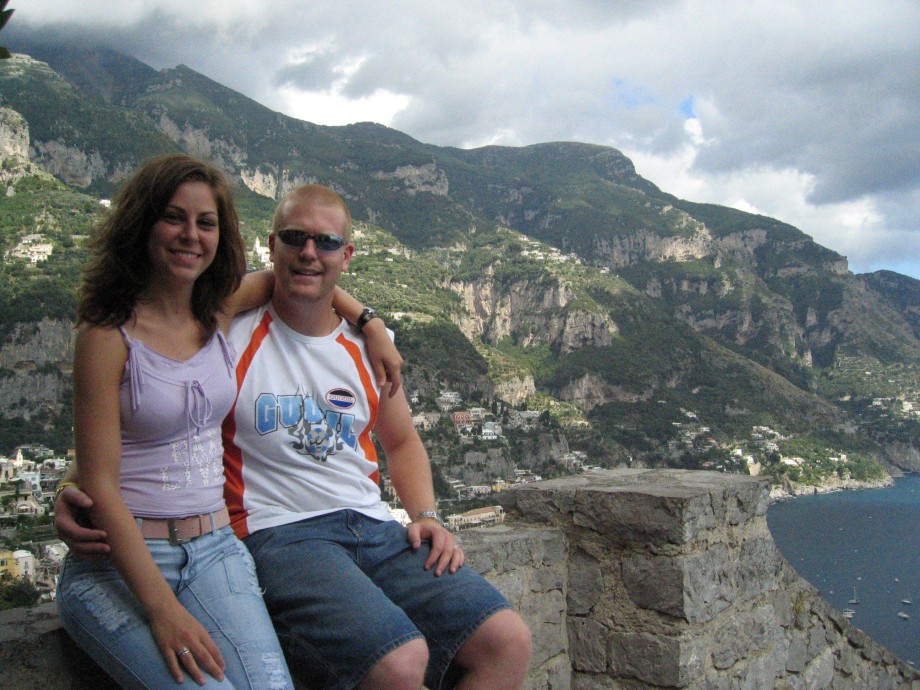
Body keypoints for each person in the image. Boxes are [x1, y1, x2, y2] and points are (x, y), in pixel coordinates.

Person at [60, 183, 532, 690]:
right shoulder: (223, 330)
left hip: (374, 526)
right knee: (399, 662)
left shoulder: (370, 347)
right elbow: (152, 413)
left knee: (509, 642)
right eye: (294, 238)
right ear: (271, 246)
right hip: (277, 530)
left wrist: (426, 515)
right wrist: (73, 482)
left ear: (346, 255)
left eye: (326, 242)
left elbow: (401, 442)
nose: (309, 252)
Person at [55, 157, 400, 690]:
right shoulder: (106, 335)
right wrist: (163, 611)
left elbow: (300, 276)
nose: (190, 235)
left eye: (206, 223)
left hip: (215, 549)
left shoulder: (213, 313)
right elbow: (100, 479)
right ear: (142, 224)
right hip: (123, 562)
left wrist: (369, 322)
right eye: (173, 217)